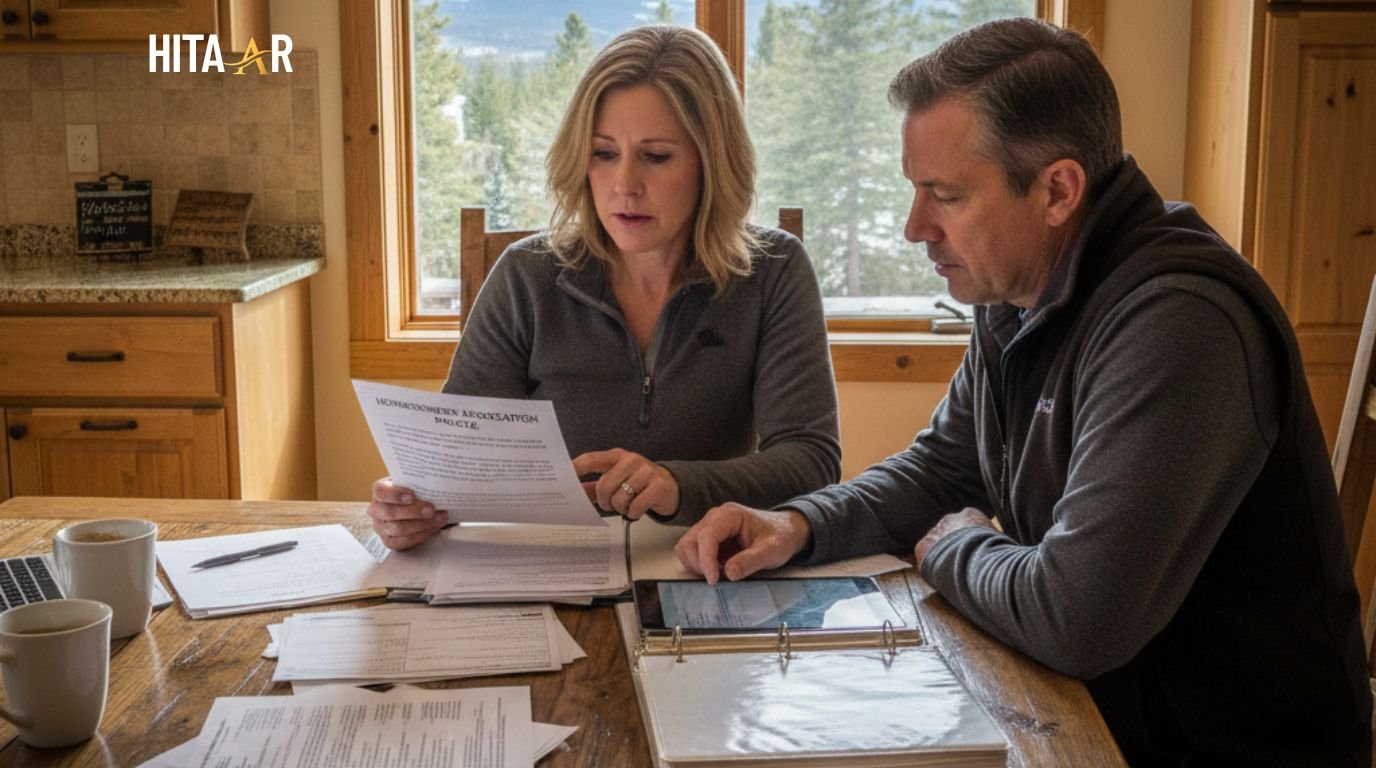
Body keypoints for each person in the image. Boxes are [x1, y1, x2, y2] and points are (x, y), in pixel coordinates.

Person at [675, 17, 1370, 766]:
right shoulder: (1018, 291)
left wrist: (956, 545)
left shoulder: (1180, 325)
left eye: (944, 195)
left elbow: (1075, 617)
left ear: (1058, 190)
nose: (915, 228)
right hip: (1086, 712)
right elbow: (943, 469)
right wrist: (799, 525)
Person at [368, 25, 840, 552]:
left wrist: (676, 484)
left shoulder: (773, 271)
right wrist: (413, 506)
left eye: (656, 156)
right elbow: (456, 465)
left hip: (706, 568)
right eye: (603, 153)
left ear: (713, 164)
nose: (624, 185)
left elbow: (811, 461)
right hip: (547, 570)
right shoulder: (527, 276)